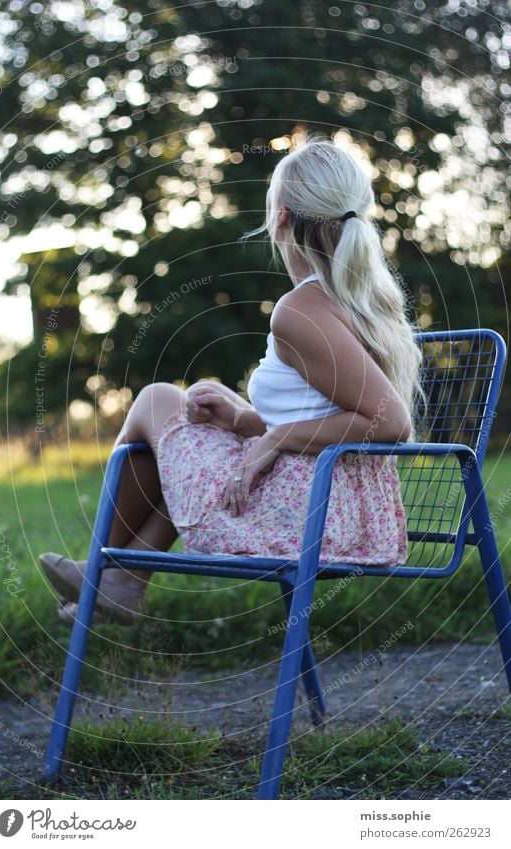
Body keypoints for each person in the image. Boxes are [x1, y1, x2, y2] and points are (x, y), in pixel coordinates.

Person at [40, 136, 422, 626]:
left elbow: (389, 423)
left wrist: (277, 436)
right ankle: (121, 580)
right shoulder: (354, 298)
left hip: (301, 520)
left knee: (157, 401)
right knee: (179, 426)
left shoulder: (302, 309)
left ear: (280, 215)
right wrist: (245, 419)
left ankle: (106, 573)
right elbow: (327, 415)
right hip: (340, 514)